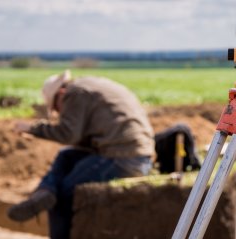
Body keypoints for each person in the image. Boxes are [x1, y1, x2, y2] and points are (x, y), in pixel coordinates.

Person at [8, 70, 155, 239]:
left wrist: (32, 128)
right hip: (137, 155)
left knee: (61, 197)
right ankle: (44, 191)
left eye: (56, 108)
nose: (59, 113)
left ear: (60, 94)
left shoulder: (74, 93)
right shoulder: (92, 86)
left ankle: (49, 195)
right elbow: (81, 139)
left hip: (122, 159)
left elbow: (69, 134)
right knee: (66, 156)